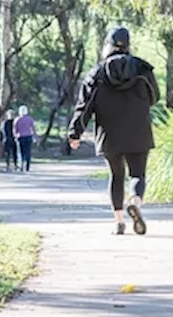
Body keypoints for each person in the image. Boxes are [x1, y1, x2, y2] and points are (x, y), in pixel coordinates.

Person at [68, 26, 161, 235]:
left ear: (108, 45)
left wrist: (75, 133)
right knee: (138, 175)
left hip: (109, 134)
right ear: (128, 45)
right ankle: (135, 202)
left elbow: (85, 106)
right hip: (138, 130)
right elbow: (155, 97)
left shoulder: (97, 73)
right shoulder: (143, 69)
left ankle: (119, 221)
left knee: (116, 175)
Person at [13, 105, 37, 172]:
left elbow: (15, 130)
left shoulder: (17, 119)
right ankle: (27, 166)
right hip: (28, 137)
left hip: (20, 137)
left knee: (21, 152)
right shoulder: (30, 119)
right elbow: (33, 129)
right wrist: (35, 137)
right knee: (28, 152)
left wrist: (15, 136)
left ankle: (21, 165)